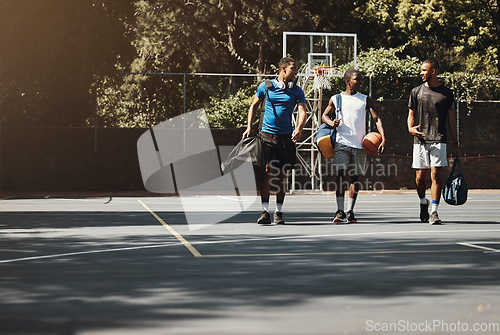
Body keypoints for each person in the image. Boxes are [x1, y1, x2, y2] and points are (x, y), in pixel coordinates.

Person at [242, 57, 307, 225]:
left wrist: (299, 128)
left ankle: (278, 212)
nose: (296, 71)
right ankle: (264, 211)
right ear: (283, 69)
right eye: (293, 68)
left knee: (282, 175)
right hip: (267, 136)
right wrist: (250, 126)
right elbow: (253, 106)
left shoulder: (297, 90)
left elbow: (302, 111)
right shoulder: (266, 86)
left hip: (286, 137)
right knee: (269, 172)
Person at [322, 69, 386, 224]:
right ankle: (339, 210)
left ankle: (350, 211)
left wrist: (383, 137)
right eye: (357, 79)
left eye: (361, 79)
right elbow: (324, 115)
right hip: (341, 142)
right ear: (348, 81)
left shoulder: (365, 99)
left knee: (355, 178)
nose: (360, 82)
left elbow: (376, 119)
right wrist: (332, 122)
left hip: (360, 145)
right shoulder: (336, 99)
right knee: (340, 175)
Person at [408, 58, 460, 225]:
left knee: (436, 174)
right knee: (420, 177)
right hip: (420, 139)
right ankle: (423, 202)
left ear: (434, 71)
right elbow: (411, 114)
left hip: (439, 138)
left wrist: (455, 142)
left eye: (425, 70)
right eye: (421, 70)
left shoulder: (446, 93)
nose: (421, 73)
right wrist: (410, 128)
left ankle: (434, 212)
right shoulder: (416, 91)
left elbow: (452, 119)